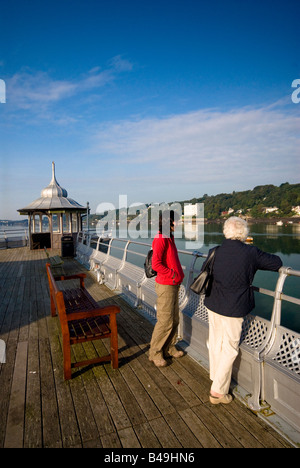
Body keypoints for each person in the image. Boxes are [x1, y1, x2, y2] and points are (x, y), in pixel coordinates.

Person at [203, 216, 282, 405]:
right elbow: (277, 262)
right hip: (234, 307)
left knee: (215, 342)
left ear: (225, 232)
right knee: (230, 348)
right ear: (243, 233)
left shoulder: (215, 251)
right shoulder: (250, 252)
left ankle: (216, 377)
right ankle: (217, 391)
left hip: (214, 303)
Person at [149, 210, 185, 367]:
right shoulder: (161, 238)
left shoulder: (169, 237)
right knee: (165, 321)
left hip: (173, 283)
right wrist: (171, 274)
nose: (176, 223)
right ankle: (155, 353)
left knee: (174, 320)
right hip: (166, 284)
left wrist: (176, 276)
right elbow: (156, 264)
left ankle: (169, 347)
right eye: (174, 221)